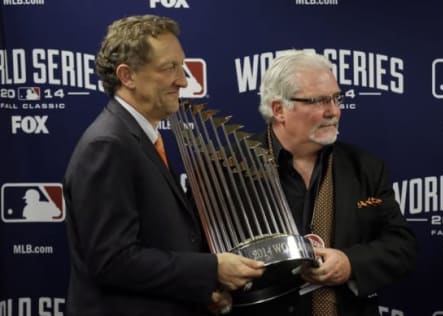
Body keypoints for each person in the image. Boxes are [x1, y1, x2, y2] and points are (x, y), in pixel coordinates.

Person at [63, 15, 265, 316]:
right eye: (169, 68)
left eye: (181, 67)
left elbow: (158, 240)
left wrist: (202, 291)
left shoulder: (137, 136)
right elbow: (113, 262)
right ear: (127, 76)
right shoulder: (107, 145)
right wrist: (212, 269)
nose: (183, 80)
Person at [230, 50, 417, 316]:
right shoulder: (227, 170)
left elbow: (402, 245)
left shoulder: (366, 167)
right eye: (318, 101)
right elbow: (203, 260)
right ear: (279, 109)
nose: (333, 111)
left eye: (336, 98)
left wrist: (350, 263)